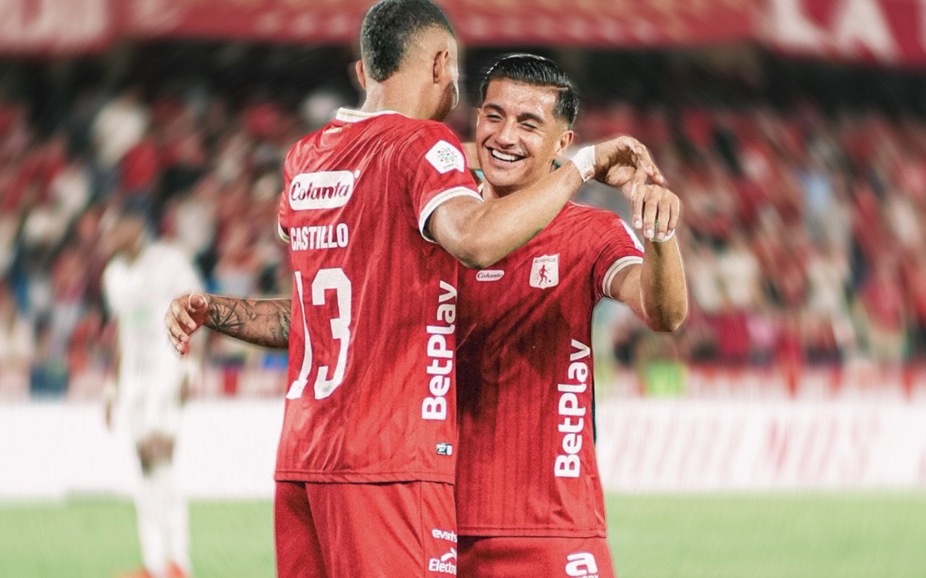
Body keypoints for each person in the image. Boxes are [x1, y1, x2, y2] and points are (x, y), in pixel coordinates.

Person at [164, 1, 661, 577]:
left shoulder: (308, 158)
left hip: (303, 457)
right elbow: (474, 240)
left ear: (364, 72)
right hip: (390, 459)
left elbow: (324, 315)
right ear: (443, 63)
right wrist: (583, 164)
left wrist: (218, 311)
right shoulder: (425, 144)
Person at [454, 54, 688, 577]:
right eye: (494, 116)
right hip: (434, 521)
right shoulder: (443, 225)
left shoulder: (591, 233)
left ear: (562, 143)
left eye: (528, 123)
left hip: (554, 528)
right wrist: (585, 164)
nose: (505, 136)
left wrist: (660, 233)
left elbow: (664, 313)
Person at [103, 208, 202, 578]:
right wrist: (112, 385)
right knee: (144, 467)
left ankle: (179, 561)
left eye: (115, 229)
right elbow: (122, 331)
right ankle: (156, 563)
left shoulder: (169, 261)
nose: (108, 237)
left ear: (135, 226)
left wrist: (191, 366)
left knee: (162, 458)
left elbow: (197, 309)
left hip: (167, 370)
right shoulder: (113, 275)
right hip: (134, 380)